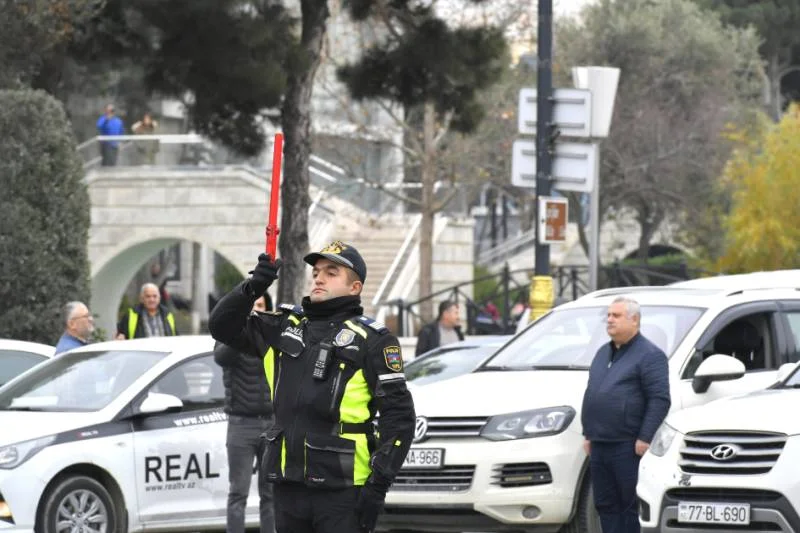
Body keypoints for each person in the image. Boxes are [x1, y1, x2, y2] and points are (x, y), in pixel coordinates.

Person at [208, 240, 415, 533]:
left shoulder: (373, 340)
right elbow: (221, 326)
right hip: (288, 486)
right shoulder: (283, 326)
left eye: (332, 272)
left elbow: (400, 419)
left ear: (354, 287)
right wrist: (253, 287)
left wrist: (377, 487)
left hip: (343, 490)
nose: (318, 277)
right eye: (316, 271)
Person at [581, 296, 670, 533]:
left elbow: (660, 399)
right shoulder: (602, 353)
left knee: (628, 504)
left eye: (616, 316)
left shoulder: (650, 355)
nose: (609, 320)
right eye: (608, 315)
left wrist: (645, 437)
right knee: (605, 504)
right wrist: (588, 433)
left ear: (634, 320)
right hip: (599, 443)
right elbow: (593, 393)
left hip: (627, 445)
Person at [215, 295, 276, 533]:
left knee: (270, 493)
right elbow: (220, 358)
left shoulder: (273, 337)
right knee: (238, 492)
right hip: (241, 425)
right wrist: (243, 331)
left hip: (271, 424)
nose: (255, 311)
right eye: (251, 307)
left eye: (260, 306)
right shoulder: (229, 334)